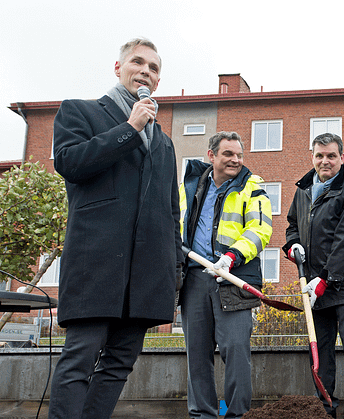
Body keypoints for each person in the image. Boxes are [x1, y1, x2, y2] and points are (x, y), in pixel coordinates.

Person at [49, 38, 183, 418]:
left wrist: (174, 270)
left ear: (157, 81)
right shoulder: (80, 112)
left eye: (153, 68)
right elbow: (71, 163)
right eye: (137, 63)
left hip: (145, 272)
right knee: (80, 360)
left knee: (120, 363)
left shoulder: (165, 143)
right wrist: (129, 127)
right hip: (97, 264)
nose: (145, 71)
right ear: (118, 68)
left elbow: (170, 211)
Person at [178, 131, 272, 419]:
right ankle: (201, 415)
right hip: (194, 279)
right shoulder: (191, 185)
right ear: (211, 156)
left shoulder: (252, 187)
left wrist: (231, 257)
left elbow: (261, 230)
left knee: (235, 351)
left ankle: (238, 415)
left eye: (239, 155)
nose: (235, 160)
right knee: (197, 354)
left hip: (232, 279)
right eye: (228, 154)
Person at [283, 133, 344, 419]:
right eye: (319, 156)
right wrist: (292, 245)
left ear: (341, 158)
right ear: (312, 156)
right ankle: (324, 409)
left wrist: (326, 278)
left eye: (331, 156)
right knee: (320, 352)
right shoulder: (303, 190)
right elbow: (291, 225)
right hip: (314, 285)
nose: (325, 161)